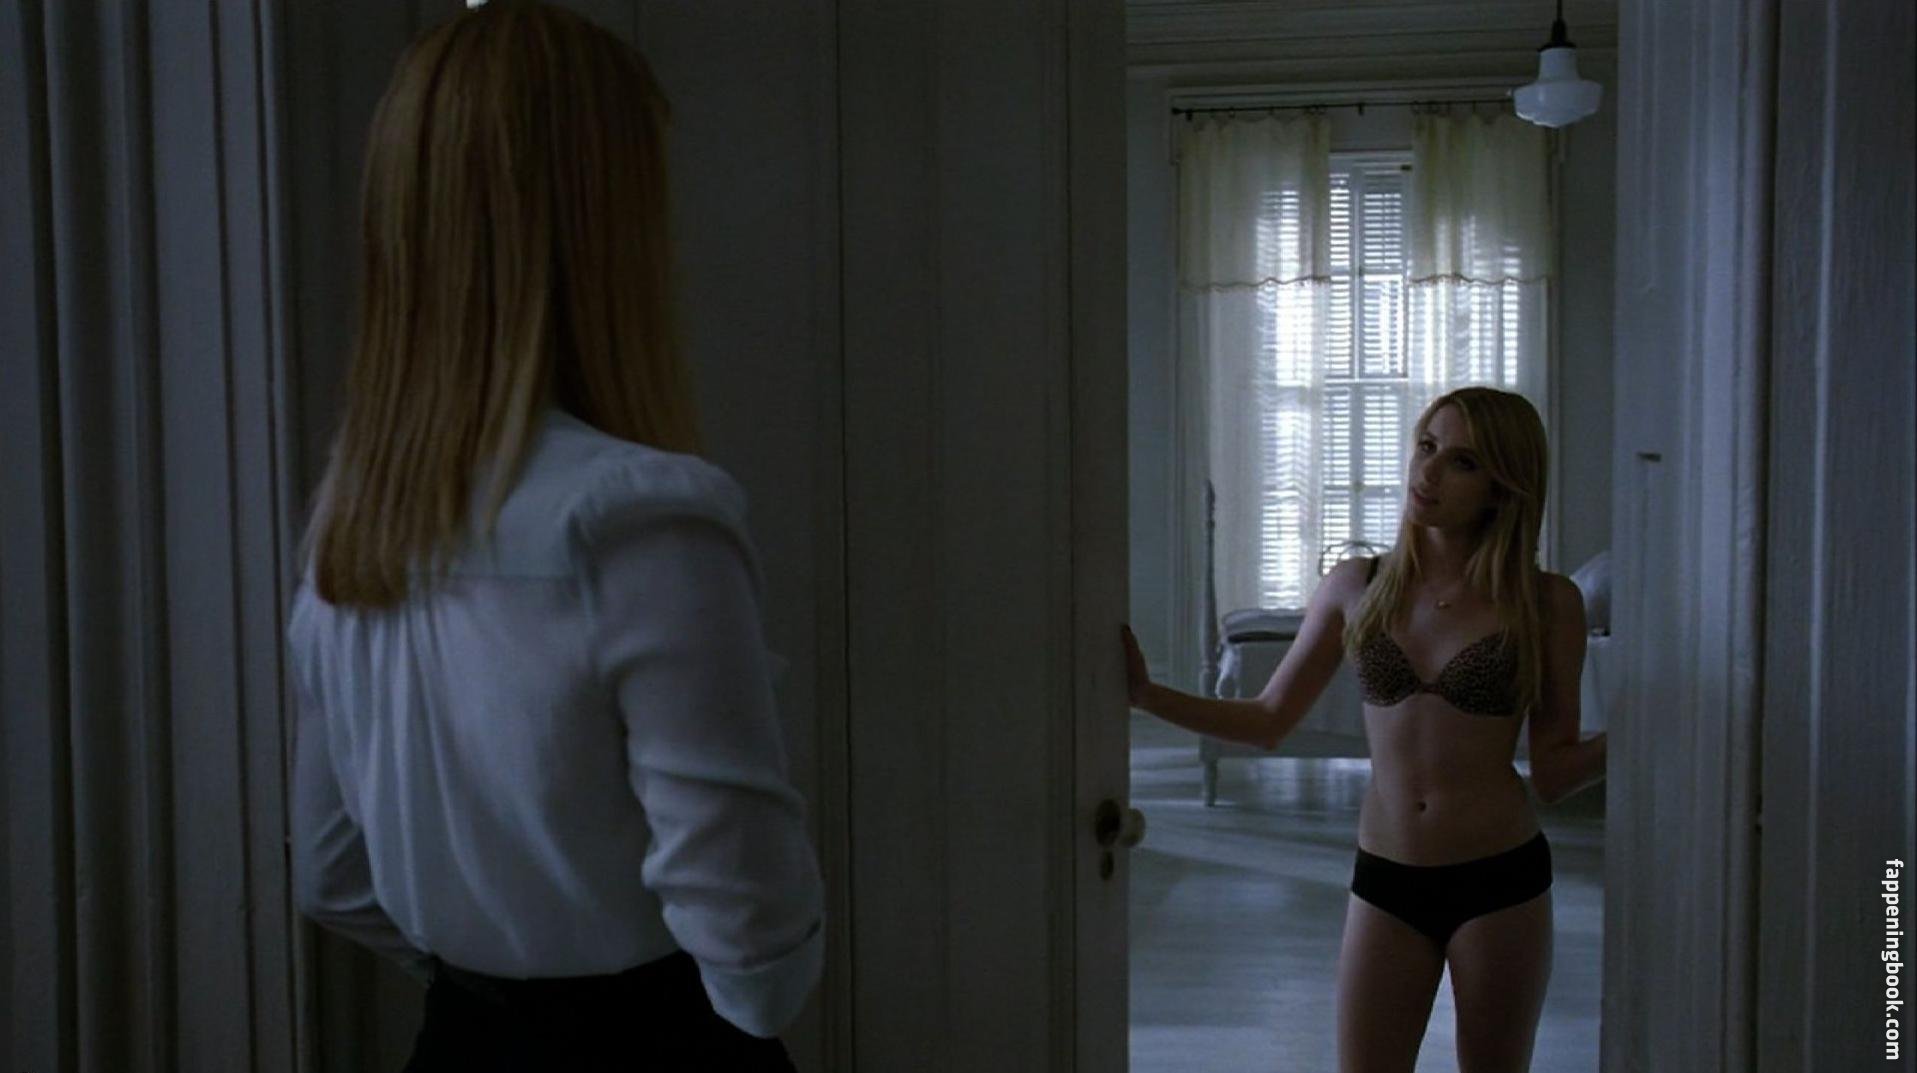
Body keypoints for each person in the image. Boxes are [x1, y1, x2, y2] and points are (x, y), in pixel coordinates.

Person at [284, 4, 823, 1070]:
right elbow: (753, 948)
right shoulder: (642, 516)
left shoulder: (354, 519)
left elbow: (331, 875)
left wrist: (493, 979)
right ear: (604, 223)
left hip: (459, 1042)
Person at [1121, 386, 1608, 1073]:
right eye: (1426, 446)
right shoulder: (1357, 584)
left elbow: (1554, 772)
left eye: (1462, 461)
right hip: (1387, 877)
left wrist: (1644, 733)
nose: (1427, 472)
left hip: (1500, 876)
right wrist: (1146, 695)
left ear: (1502, 486)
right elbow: (1268, 719)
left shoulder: (1547, 602)